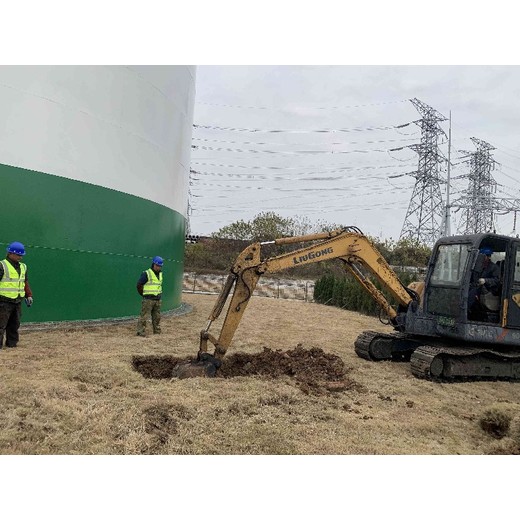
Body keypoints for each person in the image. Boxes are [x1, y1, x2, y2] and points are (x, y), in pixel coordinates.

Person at [0, 242, 34, 349]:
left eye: (22, 255)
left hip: (17, 301)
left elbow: (25, 282)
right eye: (18, 255)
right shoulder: (2, 265)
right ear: (10, 253)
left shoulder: (23, 267)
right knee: (1, 325)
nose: (20, 257)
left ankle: (12, 344)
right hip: (4, 301)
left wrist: (28, 295)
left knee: (14, 324)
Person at [468, 247, 501, 320]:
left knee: (473, 293)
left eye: (487, 256)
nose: (487, 258)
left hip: (489, 290)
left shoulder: (494, 268)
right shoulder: (477, 266)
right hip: (478, 288)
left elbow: (497, 281)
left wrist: (485, 280)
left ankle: (466, 309)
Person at [136, 256, 164, 337]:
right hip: (148, 299)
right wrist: (143, 294)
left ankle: (157, 331)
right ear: (153, 264)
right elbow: (139, 285)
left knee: (157, 317)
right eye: (157, 265)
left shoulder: (160, 274)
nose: (158, 267)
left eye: (160, 266)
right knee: (144, 316)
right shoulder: (146, 273)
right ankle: (140, 332)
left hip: (157, 299)